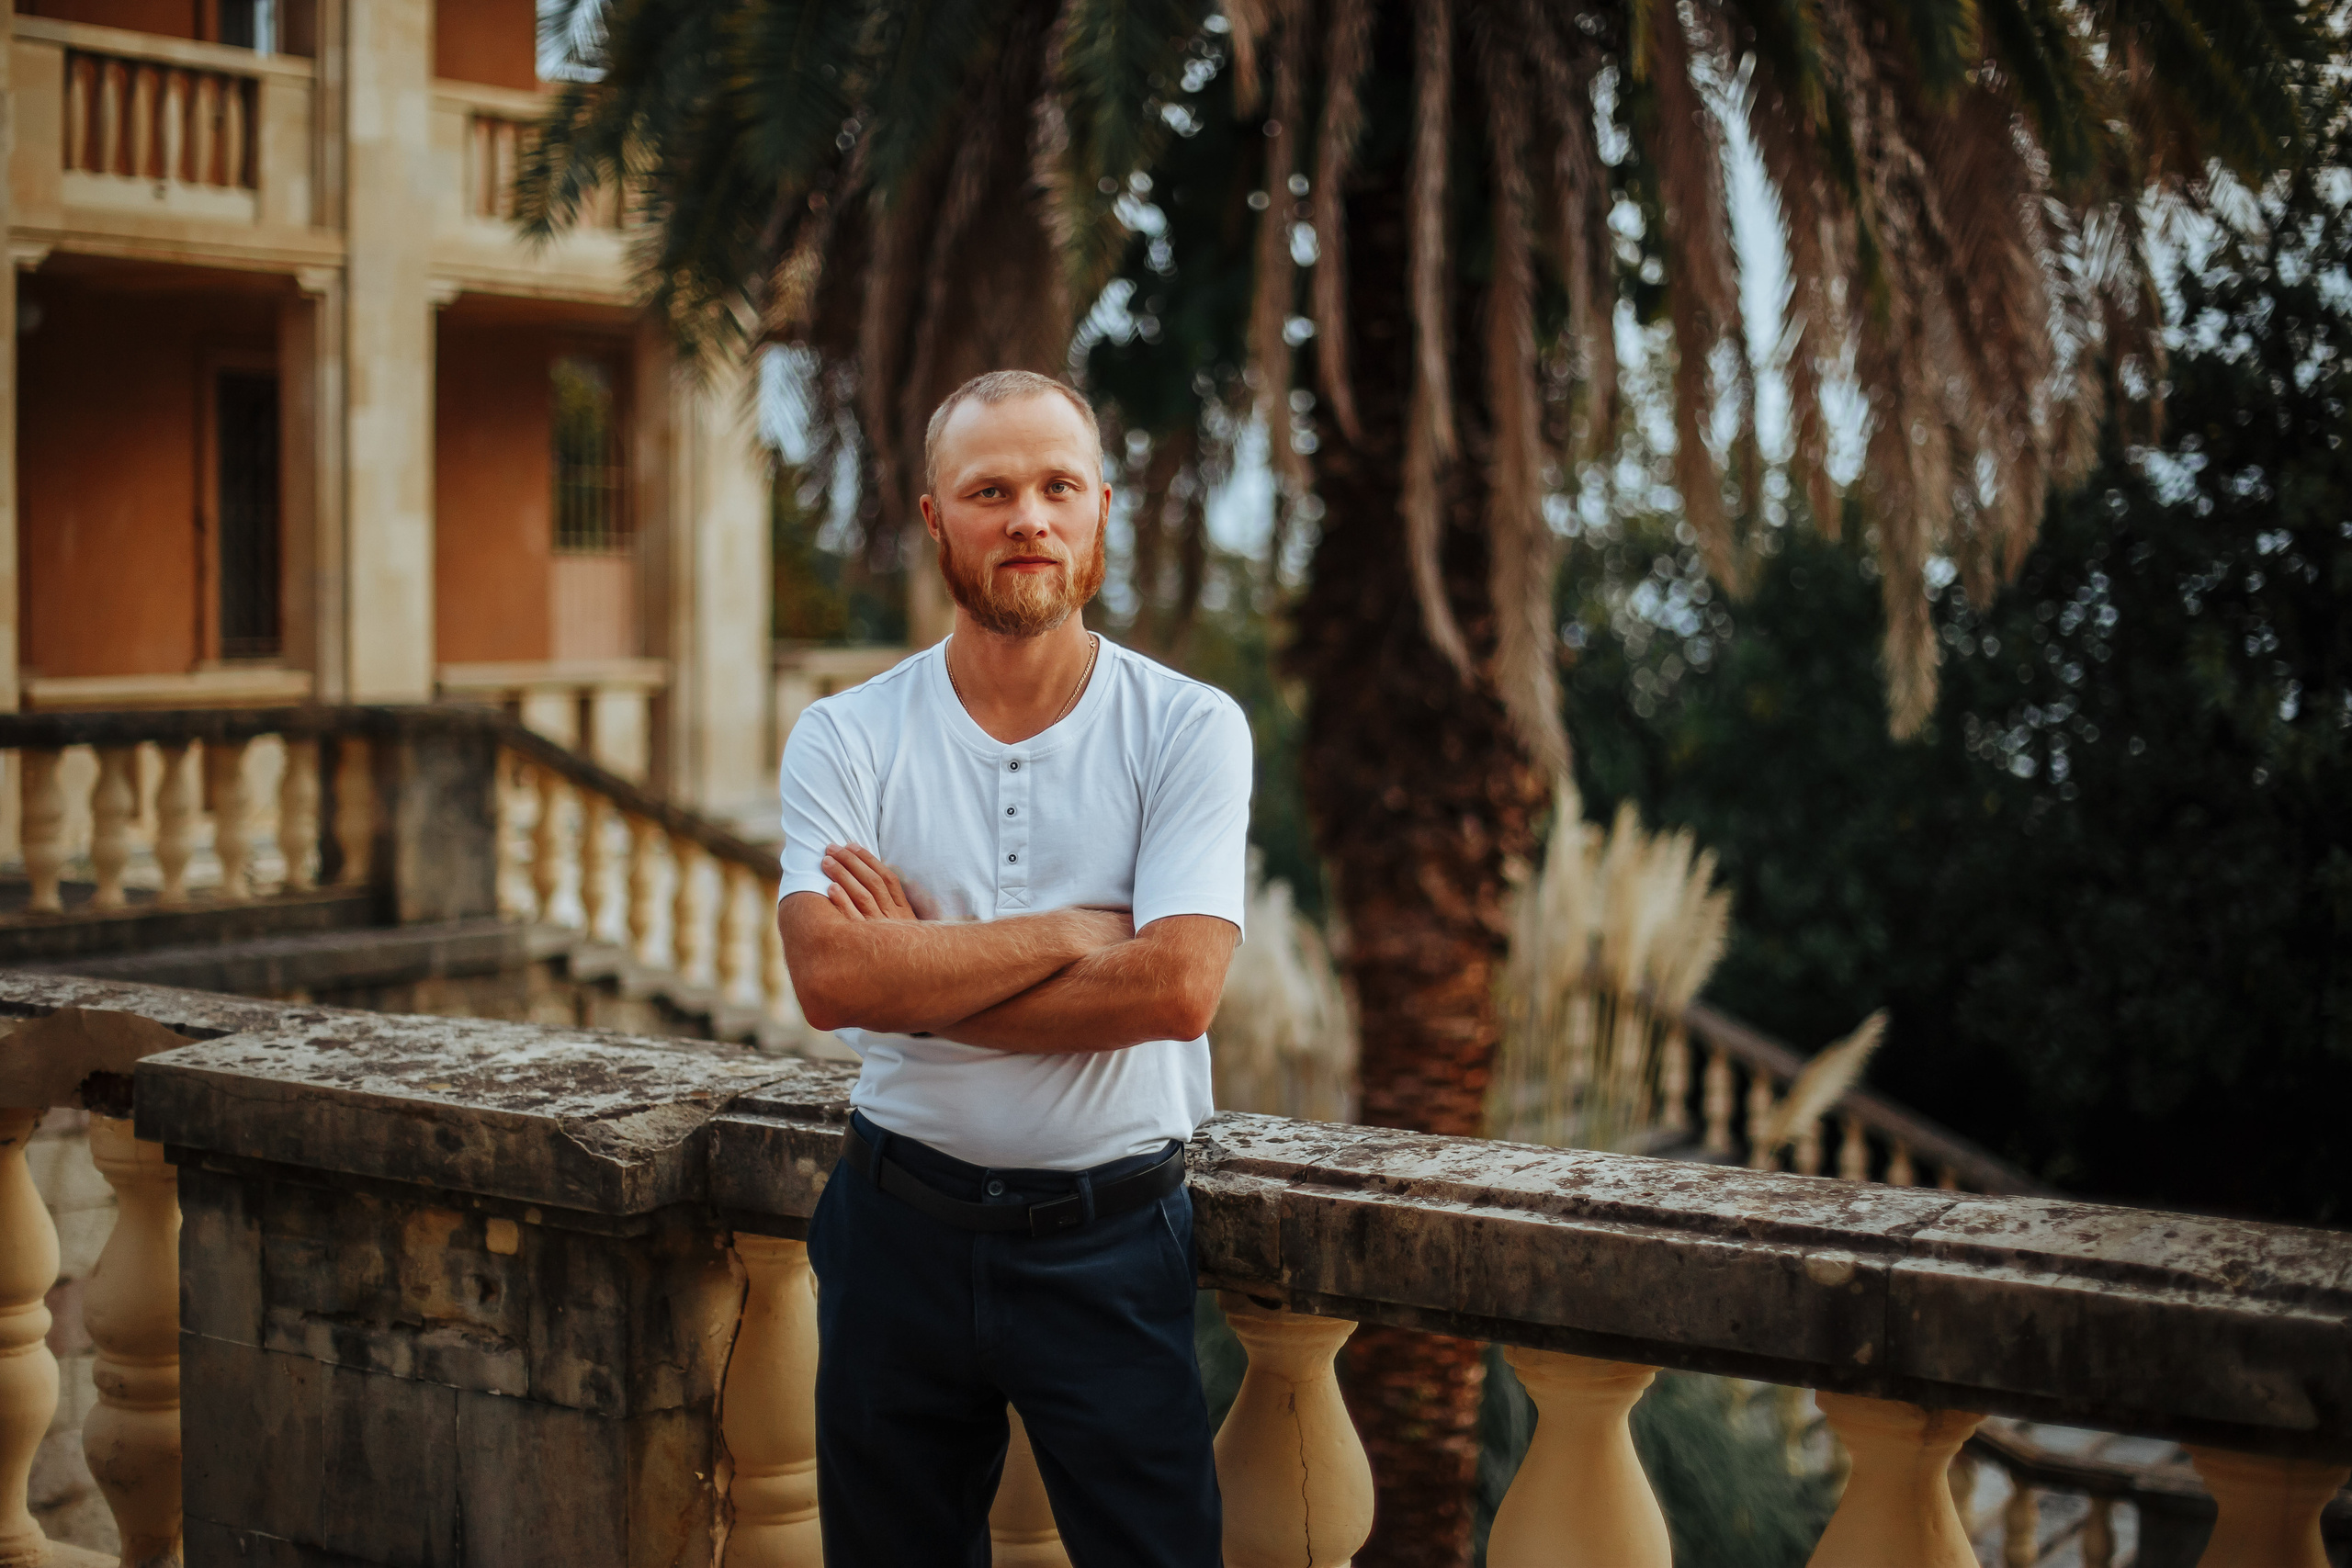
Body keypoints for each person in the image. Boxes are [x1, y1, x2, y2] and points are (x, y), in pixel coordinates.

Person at [774, 368, 1252, 1566]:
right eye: (990, 490)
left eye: (1056, 487)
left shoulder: (1187, 727)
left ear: (1101, 510)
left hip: (1110, 1244)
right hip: (896, 1237)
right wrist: (1075, 932)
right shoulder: (847, 735)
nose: (1027, 517)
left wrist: (918, 975)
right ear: (936, 518)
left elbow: (1178, 989)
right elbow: (831, 983)